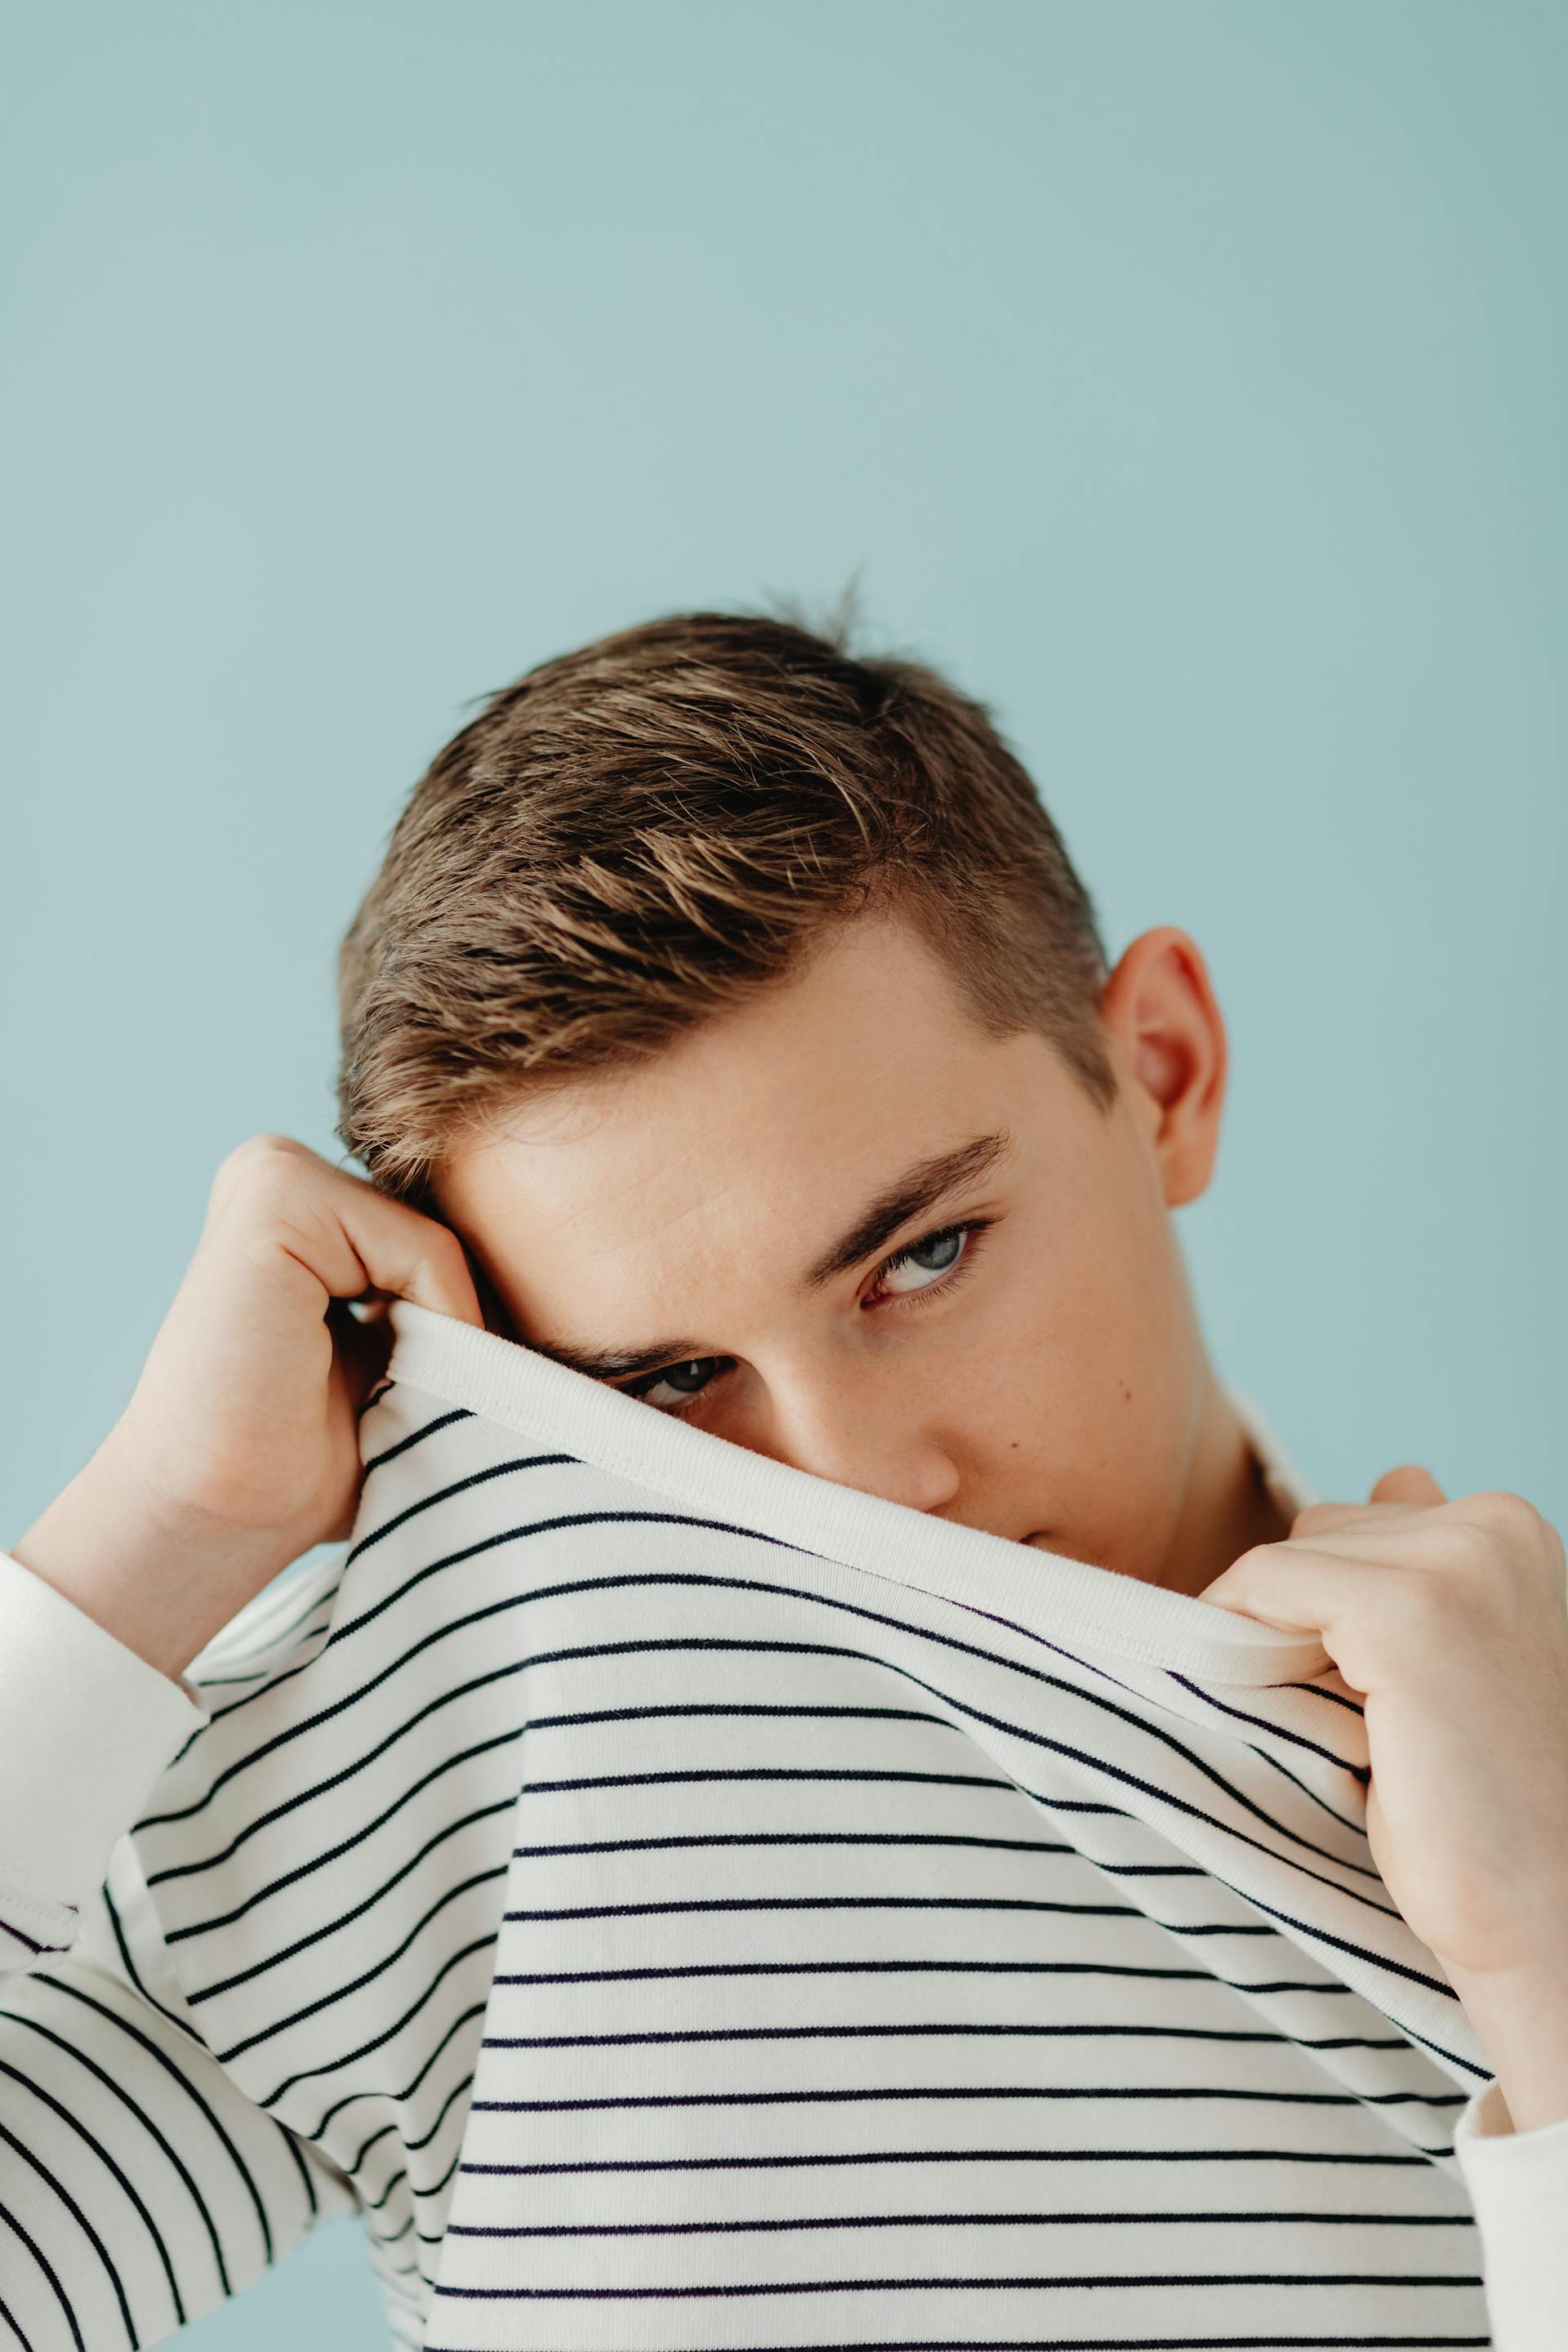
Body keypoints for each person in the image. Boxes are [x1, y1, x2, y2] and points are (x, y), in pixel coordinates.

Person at [4, 608, 1566, 2347]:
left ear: (1165, 1076)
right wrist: (145, 1546)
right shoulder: (475, 1756)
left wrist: (1553, 1965)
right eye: (673, 1381)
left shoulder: (1537, 1776)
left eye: (925, 1257)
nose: (866, 1487)